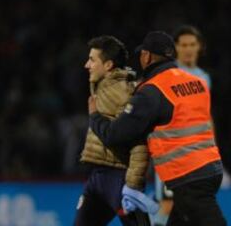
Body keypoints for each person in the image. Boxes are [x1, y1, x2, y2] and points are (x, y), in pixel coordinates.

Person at [88, 31, 226, 226]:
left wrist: (94, 115)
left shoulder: (152, 91)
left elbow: (114, 134)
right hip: (211, 168)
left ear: (147, 56)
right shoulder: (198, 82)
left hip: (188, 176)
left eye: (142, 54)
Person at [74, 35, 151, 226]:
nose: (86, 65)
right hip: (98, 177)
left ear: (108, 65)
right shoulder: (103, 88)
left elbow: (139, 141)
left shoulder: (124, 93)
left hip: (119, 179)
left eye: (92, 60)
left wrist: (133, 185)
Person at [153, 25, 213, 226]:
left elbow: (205, 117)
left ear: (199, 47)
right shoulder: (166, 75)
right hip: (171, 154)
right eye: (183, 44)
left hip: (196, 156)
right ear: (176, 48)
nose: (188, 49)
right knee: (167, 204)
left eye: (192, 44)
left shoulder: (203, 78)